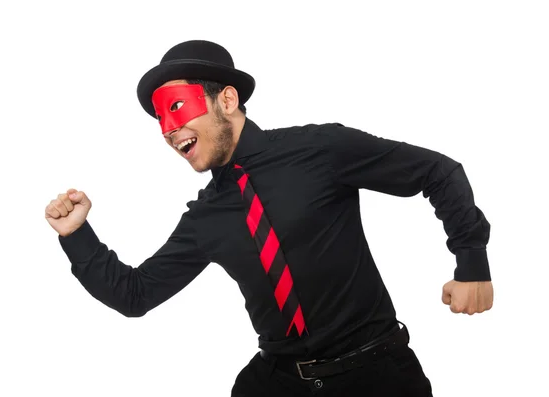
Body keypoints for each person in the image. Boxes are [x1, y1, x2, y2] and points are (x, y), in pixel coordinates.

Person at [45, 40, 493, 396]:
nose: (167, 129)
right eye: (159, 119)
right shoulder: (205, 218)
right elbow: (134, 294)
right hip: (280, 381)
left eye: (176, 107)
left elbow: (437, 171)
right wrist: (77, 235)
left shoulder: (319, 150)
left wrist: (471, 260)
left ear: (227, 99)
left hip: (377, 373)